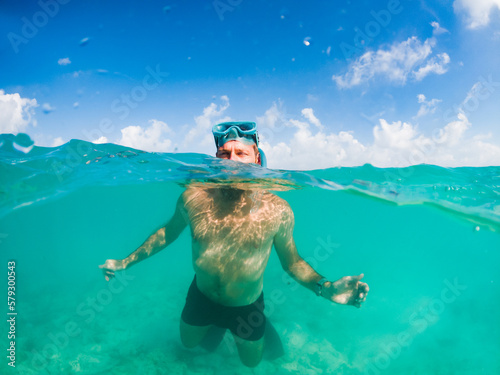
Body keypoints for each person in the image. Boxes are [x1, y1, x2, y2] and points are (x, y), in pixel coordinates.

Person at [99, 121, 369, 367]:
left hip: (246, 307)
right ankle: (216, 326)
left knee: (251, 363)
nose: (232, 163)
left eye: (241, 154)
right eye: (224, 155)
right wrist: (124, 262)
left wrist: (327, 288)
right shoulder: (194, 197)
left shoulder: (277, 210)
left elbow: (293, 263)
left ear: (258, 160)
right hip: (202, 297)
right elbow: (167, 233)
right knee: (189, 344)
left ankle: (251, 326)